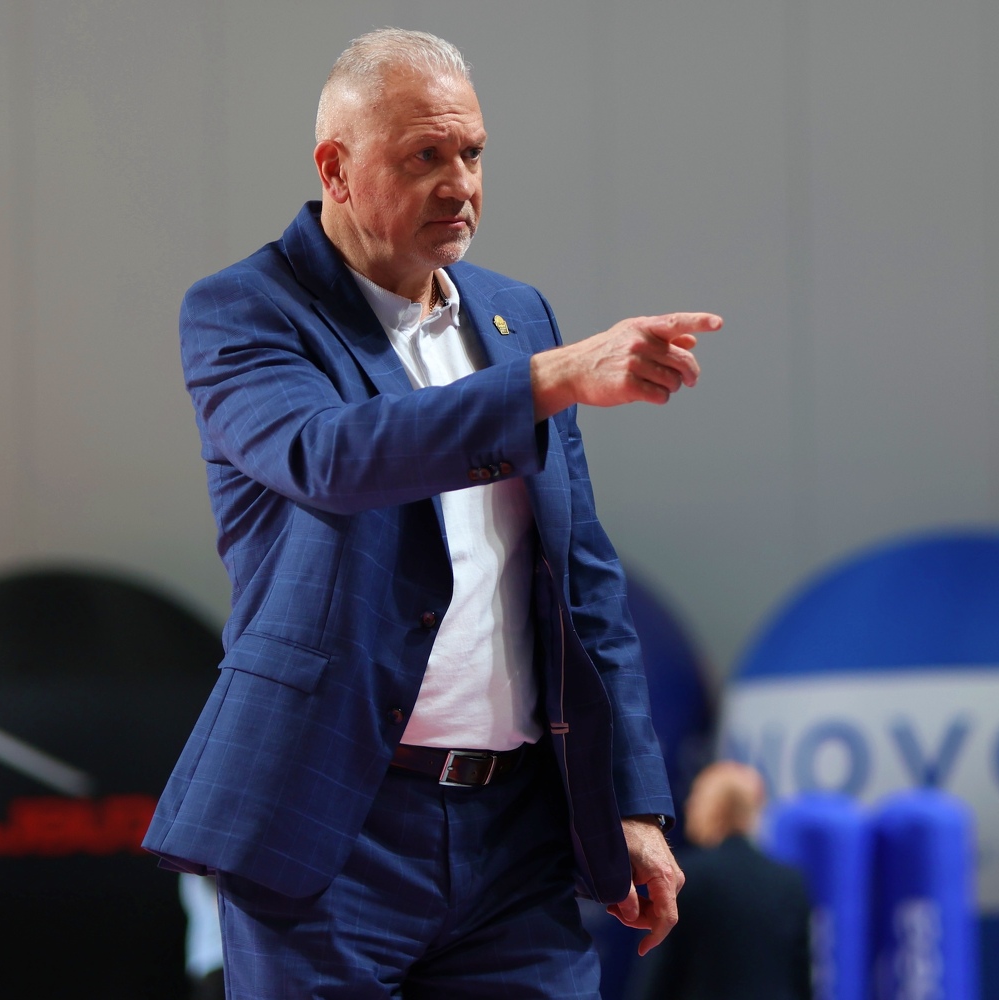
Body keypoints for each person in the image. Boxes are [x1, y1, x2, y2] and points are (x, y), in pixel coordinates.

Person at [142, 28, 721, 999]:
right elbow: (330, 455)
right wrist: (550, 379)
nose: (461, 184)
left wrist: (632, 802)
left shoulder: (515, 316)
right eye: (424, 156)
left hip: (515, 835)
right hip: (330, 823)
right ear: (335, 168)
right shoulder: (246, 310)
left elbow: (582, 578)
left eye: (473, 153)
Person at [625, 762, 812, 1000]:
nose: (687, 805)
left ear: (712, 807)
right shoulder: (790, 882)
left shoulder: (686, 878)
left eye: (695, 798)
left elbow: (661, 978)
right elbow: (801, 979)